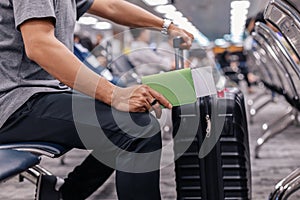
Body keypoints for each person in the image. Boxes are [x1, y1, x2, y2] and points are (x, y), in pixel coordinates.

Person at [0, 1, 193, 200]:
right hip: (15, 103)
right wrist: (113, 94)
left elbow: (110, 6)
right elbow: (39, 45)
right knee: (136, 128)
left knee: (130, 120)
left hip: (44, 94)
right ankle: (67, 194)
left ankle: (64, 194)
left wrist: (166, 26)